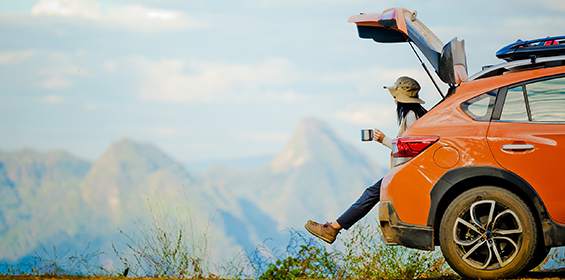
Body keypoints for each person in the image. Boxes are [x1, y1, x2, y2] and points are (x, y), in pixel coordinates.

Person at [304, 76, 427, 244]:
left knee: (371, 194)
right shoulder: (421, 114)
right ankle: (333, 228)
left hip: (409, 171)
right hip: (412, 170)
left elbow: (411, 148)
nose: (395, 103)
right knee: (372, 193)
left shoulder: (412, 116)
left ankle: (332, 229)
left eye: (395, 98)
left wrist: (384, 139)